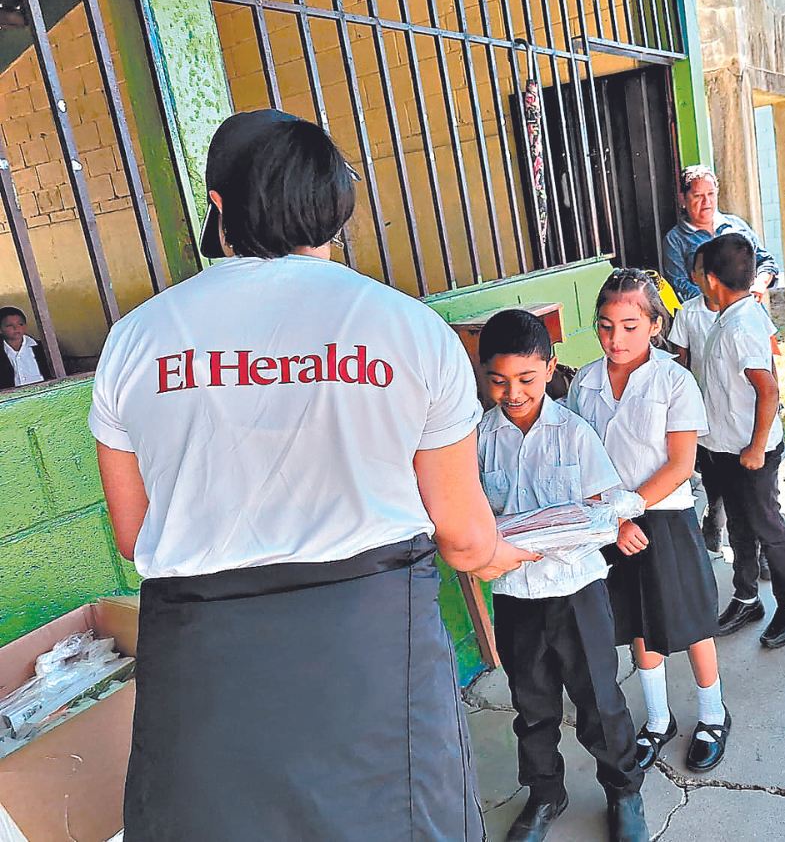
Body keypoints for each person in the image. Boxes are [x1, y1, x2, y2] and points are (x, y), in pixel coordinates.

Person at [88, 109, 534, 841]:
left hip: (206, 664)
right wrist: (501, 553)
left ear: (219, 207)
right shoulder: (410, 331)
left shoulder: (136, 341)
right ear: (333, 207)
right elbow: (462, 536)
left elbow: (135, 537)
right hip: (371, 650)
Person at [477, 309, 648, 842]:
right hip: (515, 595)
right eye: (499, 380)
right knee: (531, 703)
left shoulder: (575, 434)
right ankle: (546, 793)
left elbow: (603, 501)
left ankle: (624, 789)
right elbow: (474, 517)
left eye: (526, 379)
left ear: (550, 369)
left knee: (600, 698)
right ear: (485, 375)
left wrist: (617, 522)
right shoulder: (477, 440)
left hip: (577, 591)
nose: (513, 393)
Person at [567, 269, 731, 776]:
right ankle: (658, 720)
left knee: (691, 622)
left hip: (662, 517)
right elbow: (579, 457)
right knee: (638, 622)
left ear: (655, 325)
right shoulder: (584, 383)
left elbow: (680, 464)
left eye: (630, 325)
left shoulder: (673, 381)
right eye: (605, 325)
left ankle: (712, 714)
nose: (616, 338)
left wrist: (627, 511)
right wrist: (612, 521)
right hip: (612, 525)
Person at [692, 233, 785, 648]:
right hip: (724, 446)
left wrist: (757, 448)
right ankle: (747, 597)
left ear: (710, 279)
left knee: (767, 526)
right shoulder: (734, 314)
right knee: (740, 527)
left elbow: (768, 389)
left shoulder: (741, 325)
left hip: (749, 452)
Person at [668, 246, 778, 572]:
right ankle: (714, 520)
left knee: (761, 499)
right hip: (709, 418)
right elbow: (680, 363)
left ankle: (765, 557)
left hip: (745, 421)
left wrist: (773, 406)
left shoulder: (745, 315)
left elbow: (767, 367)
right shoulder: (690, 314)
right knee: (717, 484)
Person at [662, 164, 779, 303]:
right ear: (682, 198)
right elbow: (680, 288)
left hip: (750, 308)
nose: (707, 202)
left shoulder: (736, 225)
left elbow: (766, 261)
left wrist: (760, 283)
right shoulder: (675, 240)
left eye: (711, 194)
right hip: (708, 319)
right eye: (698, 196)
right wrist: (726, 300)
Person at [0, 306, 53, 389]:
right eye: (10, 325)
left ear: (25, 326)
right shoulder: (2, 351)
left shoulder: (40, 348)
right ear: (0, 329)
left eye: (20, 324)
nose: (16, 328)